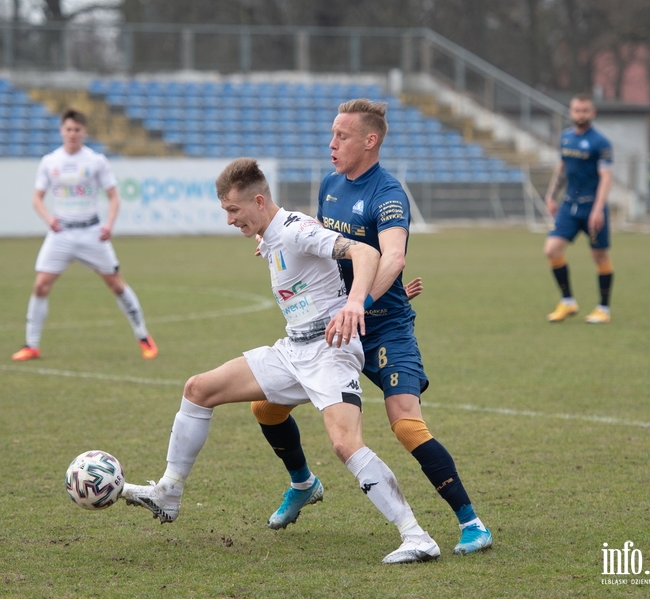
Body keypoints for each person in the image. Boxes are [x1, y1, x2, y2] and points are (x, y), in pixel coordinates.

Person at [122, 158, 441, 565]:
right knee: (198, 389)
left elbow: (363, 252)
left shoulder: (294, 229)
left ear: (258, 200)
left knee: (345, 444)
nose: (229, 220)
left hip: (330, 351)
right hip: (292, 351)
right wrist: (264, 239)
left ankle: (416, 536)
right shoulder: (272, 234)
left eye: (233, 211)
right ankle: (168, 492)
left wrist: (355, 305)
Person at [249, 99, 492, 556]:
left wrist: (362, 302)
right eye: (332, 134)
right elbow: (323, 243)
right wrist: (271, 238)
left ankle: (472, 523)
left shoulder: (388, 194)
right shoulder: (330, 185)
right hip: (335, 328)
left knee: (405, 424)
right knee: (266, 407)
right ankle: (302, 482)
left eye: (341, 136)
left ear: (369, 141)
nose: (331, 143)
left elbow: (393, 257)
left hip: (383, 329)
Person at [11, 108, 157, 361]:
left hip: (91, 232)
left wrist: (109, 224)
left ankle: (143, 336)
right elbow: (37, 198)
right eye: (68, 129)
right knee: (41, 285)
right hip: (62, 233)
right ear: (62, 131)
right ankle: (31, 345)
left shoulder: (96, 161)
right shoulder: (50, 161)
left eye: (77, 129)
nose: (72, 134)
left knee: (116, 284)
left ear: (84, 132)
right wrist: (49, 219)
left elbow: (113, 197)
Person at [543, 93, 614, 324]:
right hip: (569, 206)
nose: (580, 114)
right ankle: (567, 302)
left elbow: (605, 177)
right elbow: (562, 168)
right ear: (570, 112)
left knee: (599, 256)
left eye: (585, 110)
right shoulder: (565, 138)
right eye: (576, 110)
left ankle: (603, 308)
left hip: (592, 207)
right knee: (552, 250)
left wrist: (598, 208)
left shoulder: (601, 143)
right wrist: (551, 195)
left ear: (592, 113)